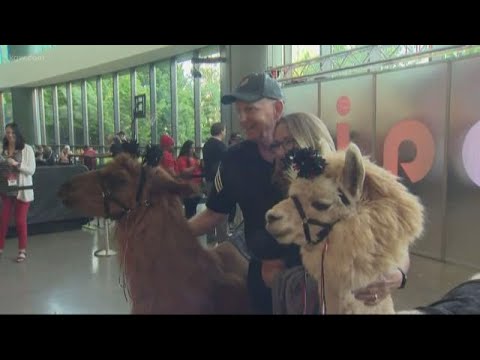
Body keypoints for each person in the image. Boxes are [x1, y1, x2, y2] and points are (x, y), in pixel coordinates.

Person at [188, 72, 408, 314]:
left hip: (327, 288)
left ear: (277, 107)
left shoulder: (328, 169)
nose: (242, 118)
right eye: (239, 110)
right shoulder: (235, 160)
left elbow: (388, 232)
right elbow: (214, 213)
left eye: (250, 109)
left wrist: (397, 274)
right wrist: (170, 232)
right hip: (266, 286)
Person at [0, 123, 36, 262]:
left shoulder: (27, 149)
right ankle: (0, 247)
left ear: (17, 134)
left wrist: (16, 164)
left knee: (20, 221)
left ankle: (22, 251)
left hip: (22, 190)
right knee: (3, 220)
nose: (9, 135)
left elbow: (31, 170)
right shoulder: (3, 149)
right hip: (6, 190)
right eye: (7, 132)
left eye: (12, 133)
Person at [201, 122, 228, 244]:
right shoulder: (220, 146)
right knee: (221, 208)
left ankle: (210, 235)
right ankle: (222, 238)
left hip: (209, 180)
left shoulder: (206, 145)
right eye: (224, 130)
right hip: (219, 181)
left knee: (210, 208)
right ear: (221, 131)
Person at [177, 140, 203, 219]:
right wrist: (195, 166)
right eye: (191, 148)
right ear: (187, 149)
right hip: (188, 188)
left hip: (197, 187)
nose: (193, 149)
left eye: (193, 147)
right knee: (189, 211)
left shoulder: (195, 158)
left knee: (193, 210)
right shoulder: (181, 159)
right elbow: (183, 172)